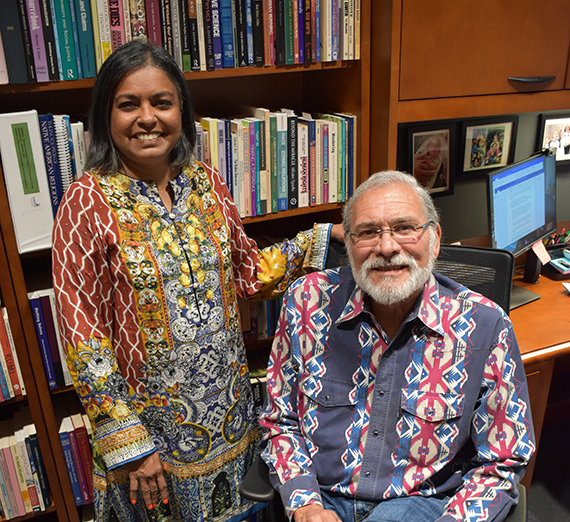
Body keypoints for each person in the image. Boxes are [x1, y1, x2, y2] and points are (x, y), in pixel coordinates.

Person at [52, 40, 342, 522]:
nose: (147, 118)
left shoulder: (206, 182)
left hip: (233, 428)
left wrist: (322, 238)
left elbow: (250, 272)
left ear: (181, 112)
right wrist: (131, 447)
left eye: (161, 103)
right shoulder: (86, 202)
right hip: (154, 451)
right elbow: (84, 339)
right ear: (106, 115)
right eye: (129, 104)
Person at [259, 171, 535, 522]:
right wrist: (304, 502)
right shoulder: (306, 301)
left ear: (434, 239)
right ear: (350, 243)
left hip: (421, 503)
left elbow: (504, 459)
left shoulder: (485, 326)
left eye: (405, 227)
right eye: (368, 232)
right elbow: (279, 422)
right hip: (321, 497)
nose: (386, 247)